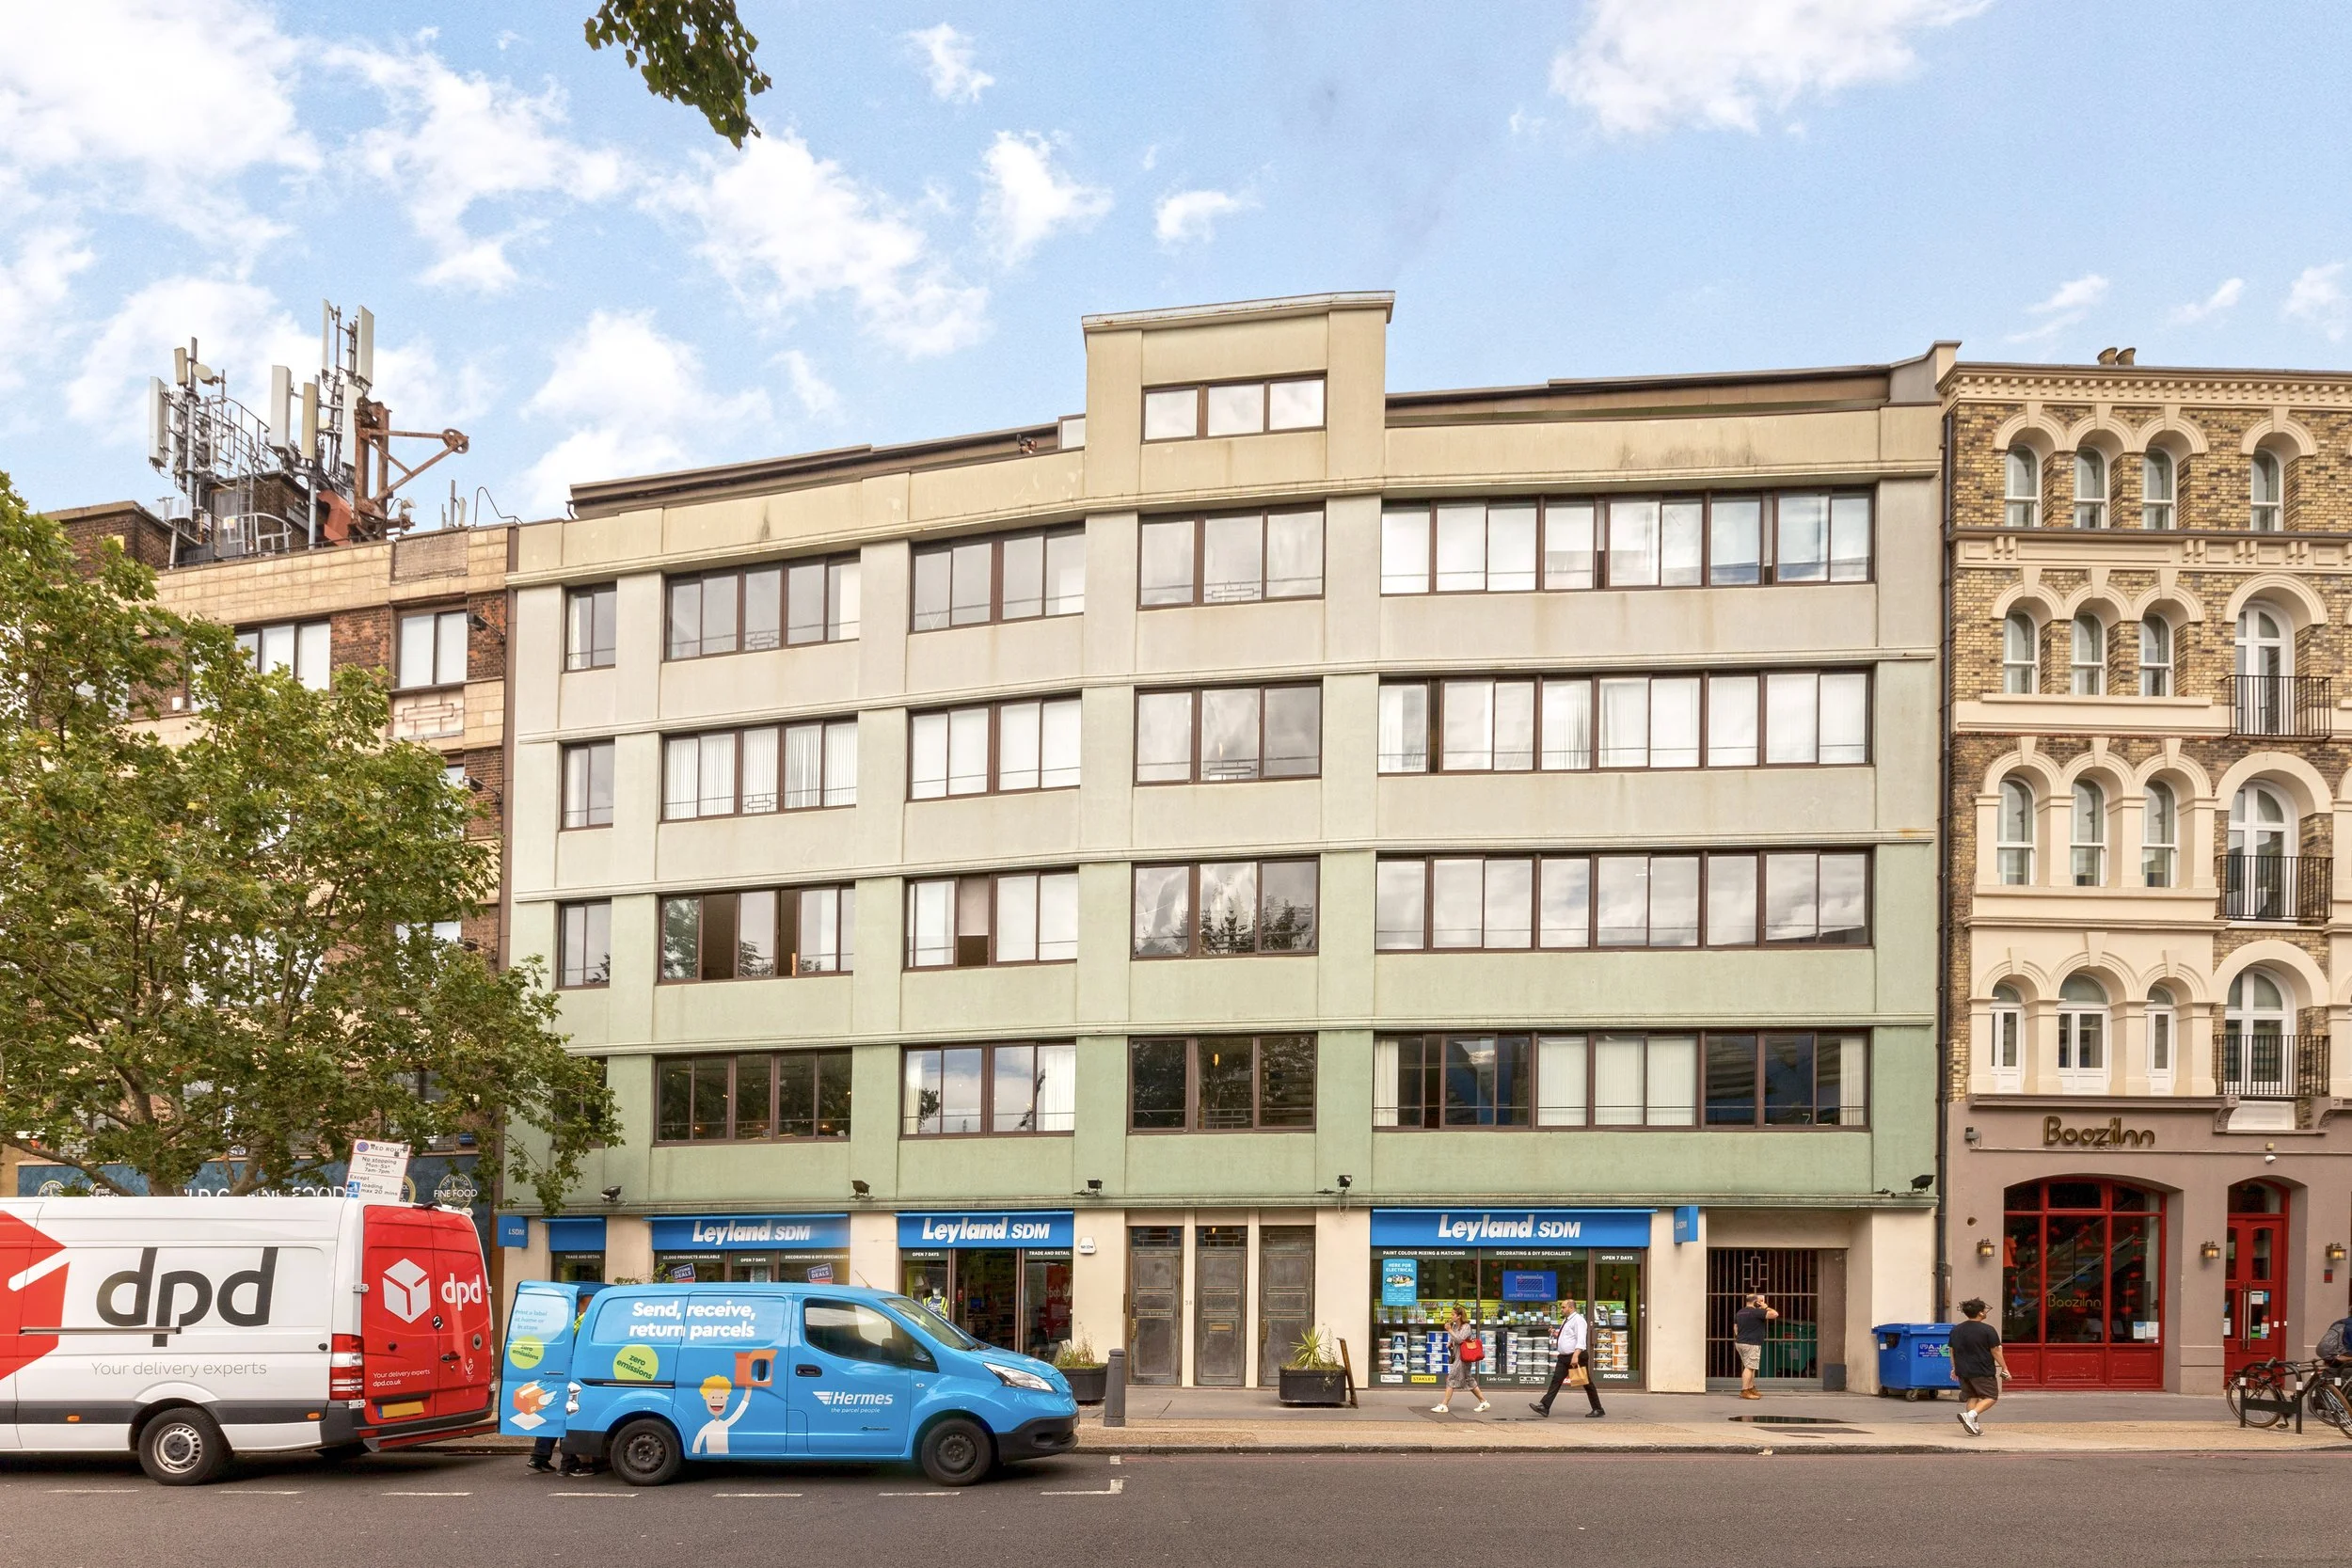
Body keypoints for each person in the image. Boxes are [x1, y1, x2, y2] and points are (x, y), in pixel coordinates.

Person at [1529, 1299, 1605, 1418]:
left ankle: (1598, 1409)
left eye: (1564, 1307)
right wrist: (1555, 1333)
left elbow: (1581, 1339)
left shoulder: (1578, 1320)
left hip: (1575, 1356)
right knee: (1556, 1380)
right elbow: (1568, 1336)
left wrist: (1576, 1355)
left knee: (1586, 1383)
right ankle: (1544, 1406)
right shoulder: (1567, 1320)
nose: (1562, 1309)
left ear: (1571, 1308)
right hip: (1564, 1357)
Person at [1949, 1297, 2008, 1435]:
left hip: (1963, 1370)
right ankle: (1969, 1416)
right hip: (1982, 1369)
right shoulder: (1988, 1330)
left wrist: (1954, 1368)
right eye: (1984, 1310)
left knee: (1972, 1397)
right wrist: (2005, 1367)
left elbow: (1952, 1350)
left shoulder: (1956, 1329)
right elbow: (1995, 1351)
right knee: (1991, 1396)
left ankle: (1973, 1426)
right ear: (1980, 1313)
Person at [1432, 1306, 1490, 1414]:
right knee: (1468, 1380)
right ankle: (1483, 1401)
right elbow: (1455, 1339)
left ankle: (1444, 1405)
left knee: (1451, 1378)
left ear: (1459, 1316)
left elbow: (1460, 1339)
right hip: (1459, 1356)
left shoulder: (1466, 1326)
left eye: (1453, 1314)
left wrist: (1449, 1330)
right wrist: (1450, 1342)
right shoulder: (1454, 1326)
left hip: (1463, 1358)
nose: (1451, 1316)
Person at [1732, 1291, 1779, 1401]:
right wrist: (1766, 1307)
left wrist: (1741, 1336)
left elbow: (1735, 1328)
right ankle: (1744, 1391)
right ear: (1756, 1302)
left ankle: (1751, 1388)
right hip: (1751, 1343)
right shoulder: (1756, 1312)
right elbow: (1775, 1314)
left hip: (1740, 1342)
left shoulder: (1739, 1312)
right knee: (1749, 1367)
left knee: (1751, 1366)